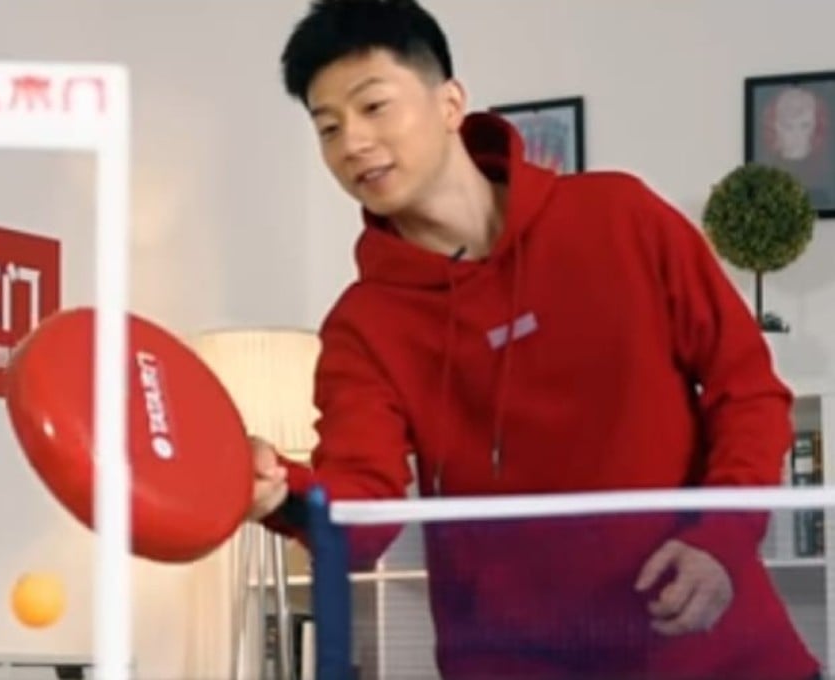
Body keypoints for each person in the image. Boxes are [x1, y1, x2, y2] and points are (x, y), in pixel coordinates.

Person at [248, 0, 821, 678]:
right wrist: (283, 492)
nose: (353, 144)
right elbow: (363, 519)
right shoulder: (363, 326)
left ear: (451, 103)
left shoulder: (621, 217)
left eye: (374, 107)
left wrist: (722, 541)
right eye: (328, 127)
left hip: (725, 659)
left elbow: (747, 389)